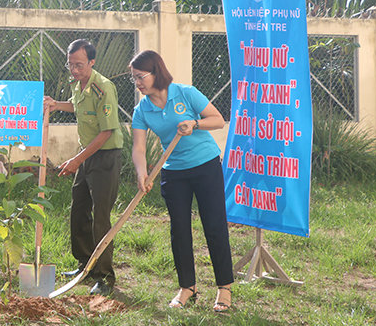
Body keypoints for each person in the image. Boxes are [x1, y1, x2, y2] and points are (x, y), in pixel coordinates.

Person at [128, 49, 233, 312]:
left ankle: (224, 288)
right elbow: (138, 148)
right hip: (173, 172)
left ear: (156, 73)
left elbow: (218, 120)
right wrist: (141, 172)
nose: (138, 83)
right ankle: (188, 287)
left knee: (214, 225)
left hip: (206, 165)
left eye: (141, 77)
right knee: (179, 231)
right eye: (134, 79)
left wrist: (194, 124)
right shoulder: (142, 110)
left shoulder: (186, 93)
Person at [43, 39, 124, 296]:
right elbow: (78, 108)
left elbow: (106, 131)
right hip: (86, 154)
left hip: (105, 155)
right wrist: (57, 105)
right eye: (71, 65)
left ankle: (104, 276)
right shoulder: (78, 84)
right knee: (79, 209)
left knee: (101, 216)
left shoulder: (103, 88)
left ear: (92, 62)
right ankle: (85, 264)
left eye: (79, 65)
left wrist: (77, 159)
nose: (74, 70)